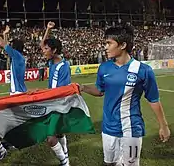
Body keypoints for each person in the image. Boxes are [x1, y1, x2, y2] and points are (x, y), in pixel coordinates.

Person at [78, 25, 171, 166]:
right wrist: (83, 88)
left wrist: (163, 126)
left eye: (109, 43)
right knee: (110, 163)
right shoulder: (104, 68)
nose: (105, 47)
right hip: (108, 128)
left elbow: (153, 99)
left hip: (132, 127)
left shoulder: (143, 70)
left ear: (122, 45)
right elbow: (100, 90)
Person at [40, 21, 71, 166]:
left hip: (59, 104)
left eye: (46, 49)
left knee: (50, 138)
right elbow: (42, 44)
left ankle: (64, 162)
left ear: (54, 51)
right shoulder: (53, 61)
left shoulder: (63, 67)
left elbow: (62, 91)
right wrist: (47, 30)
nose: (43, 51)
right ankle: (66, 156)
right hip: (53, 102)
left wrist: (45, 96)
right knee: (59, 134)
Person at [0, 24, 27, 95]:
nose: (11, 46)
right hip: (19, 90)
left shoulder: (16, 55)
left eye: (12, 45)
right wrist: (5, 34)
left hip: (17, 91)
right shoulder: (18, 56)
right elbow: (6, 46)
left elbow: (3, 45)